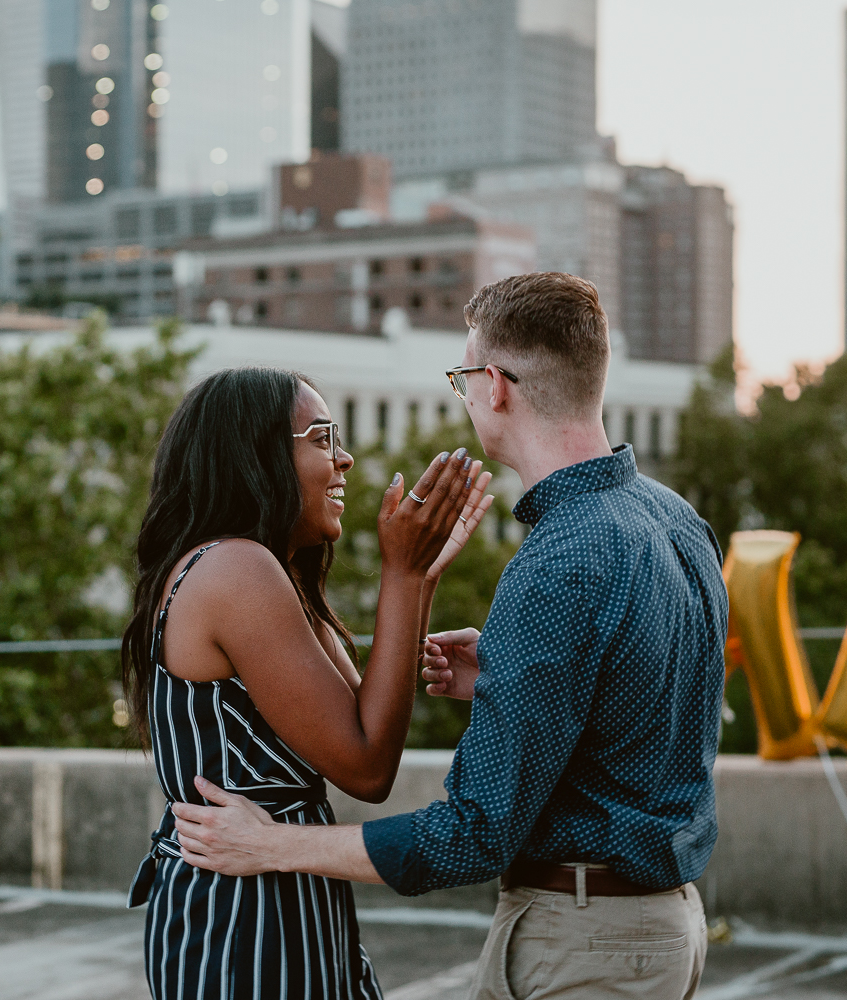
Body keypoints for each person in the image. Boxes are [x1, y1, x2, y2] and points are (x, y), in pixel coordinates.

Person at [169, 274, 729, 1000]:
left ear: (494, 385)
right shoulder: (677, 519)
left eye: (465, 378)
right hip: (668, 928)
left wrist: (274, 845)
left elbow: (473, 832)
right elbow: (655, 696)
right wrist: (509, 675)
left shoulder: (562, 558)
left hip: (585, 941)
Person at [122, 366, 497, 1000]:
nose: (345, 459)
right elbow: (368, 767)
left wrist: (419, 576)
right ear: (257, 453)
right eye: (322, 437)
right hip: (243, 919)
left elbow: (363, 725)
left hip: (272, 892)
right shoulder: (236, 568)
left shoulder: (268, 570)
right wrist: (400, 577)